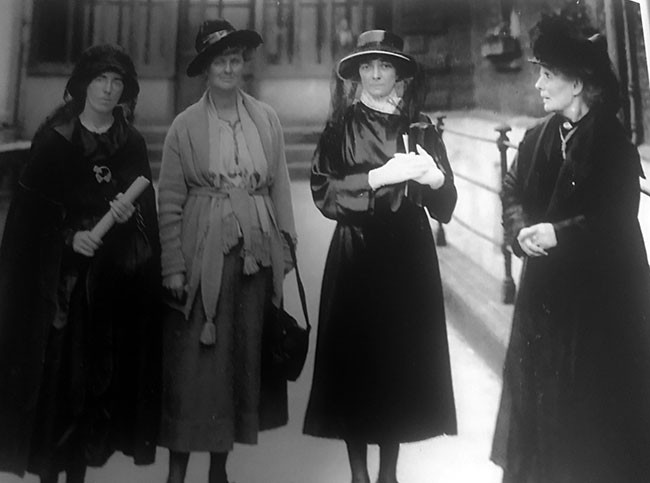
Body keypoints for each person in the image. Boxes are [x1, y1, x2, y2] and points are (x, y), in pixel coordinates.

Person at [491, 14, 650, 482]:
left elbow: (617, 219)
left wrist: (560, 234)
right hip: (544, 304)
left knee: (593, 425)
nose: (537, 83)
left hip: (601, 305)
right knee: (541, 417)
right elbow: (513, 189)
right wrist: (520, 228)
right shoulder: (539, 136)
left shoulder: (613, 144)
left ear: (578, 83)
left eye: (548, 74)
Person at [0, 44, 161, 483]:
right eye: (100, 81)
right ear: (83, 86)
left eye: (117, 83)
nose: (108, 90)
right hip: (62, 289)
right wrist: (71, 238)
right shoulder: (56, 141)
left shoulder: (130, 143)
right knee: (59, 390)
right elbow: (28, 223)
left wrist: (129, 219)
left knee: (97, 389)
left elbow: (145, 218)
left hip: (110, 287)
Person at [303, 30, 458, 483]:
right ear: (356, 74)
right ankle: (358, 473)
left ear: (400, 75)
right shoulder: (340, 127)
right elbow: (323, 191)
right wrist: (373, 180)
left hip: (407, 256)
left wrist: (434, 181)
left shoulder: (421, 128)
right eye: (368, 66)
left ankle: (388, 472)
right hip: (358, 254)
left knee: (396, 359)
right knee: (357, 357)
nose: (375, 75)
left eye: (385, 66)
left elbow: (446, 207)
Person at [157, 19, 297, 483]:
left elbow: (279, 188)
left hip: (253, 259)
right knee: (193, 368)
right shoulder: (184, 126)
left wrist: (285, 249)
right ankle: (177, 472)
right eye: (220, 61)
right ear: (206, 68)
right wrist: (174, 266)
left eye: (236, 60)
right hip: (202, 255)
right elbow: (170, 200)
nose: (229, 68)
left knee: (237, 364)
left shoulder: (266, 118)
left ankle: (220, 469)